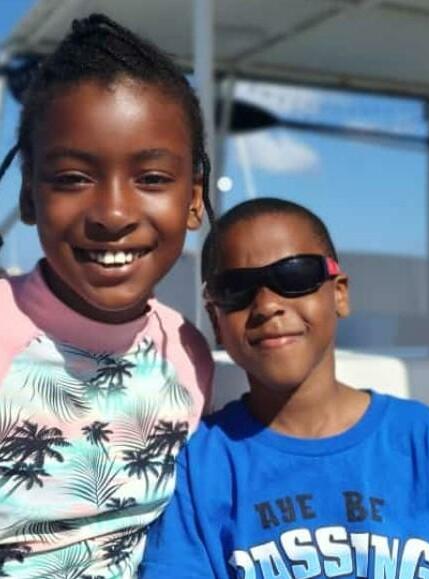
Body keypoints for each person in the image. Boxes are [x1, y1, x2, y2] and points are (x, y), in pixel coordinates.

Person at [0, 13, 214, 578]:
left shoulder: (187, 352)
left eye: (151, 179)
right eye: (73, 178)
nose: (113, 214)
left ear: (194, 201)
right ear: (29, 197)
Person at [142, 198, 429, 579]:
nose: (267, 305)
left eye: (295, 276)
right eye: (236, 289)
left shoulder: (423, 441)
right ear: (216, 320)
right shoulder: (199, 468)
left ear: (339, 294)